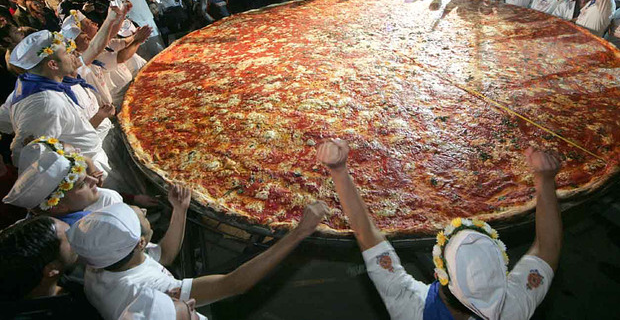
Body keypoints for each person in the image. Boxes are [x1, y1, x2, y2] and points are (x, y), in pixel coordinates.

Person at [318, 138, 563, 320]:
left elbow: (366, 235)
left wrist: (338, 170)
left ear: (438, 274)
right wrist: (546, 179)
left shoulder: (411, 308)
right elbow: (547, 248)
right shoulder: (512, 311)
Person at [68, 199, 329, 320]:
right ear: (140, 244)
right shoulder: (149, 293)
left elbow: (166, 256)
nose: (145, 210)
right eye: (141, 217)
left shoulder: (102, 260)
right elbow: (234, 284)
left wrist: (180, 209)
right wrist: (299, 233)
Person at [0, 4, 126, 172]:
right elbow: (26, 157)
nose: (73, 54)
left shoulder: (33, 84)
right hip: (88, 170)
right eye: (66, 53)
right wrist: (80, 173)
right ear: (52, 64)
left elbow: (4, 121)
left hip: (97, 152)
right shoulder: (44, 103)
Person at [3, 137, 123, 225]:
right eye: (81, 185)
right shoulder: (86, 232)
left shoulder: (101, 198)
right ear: (59, 207)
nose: (93, 180)